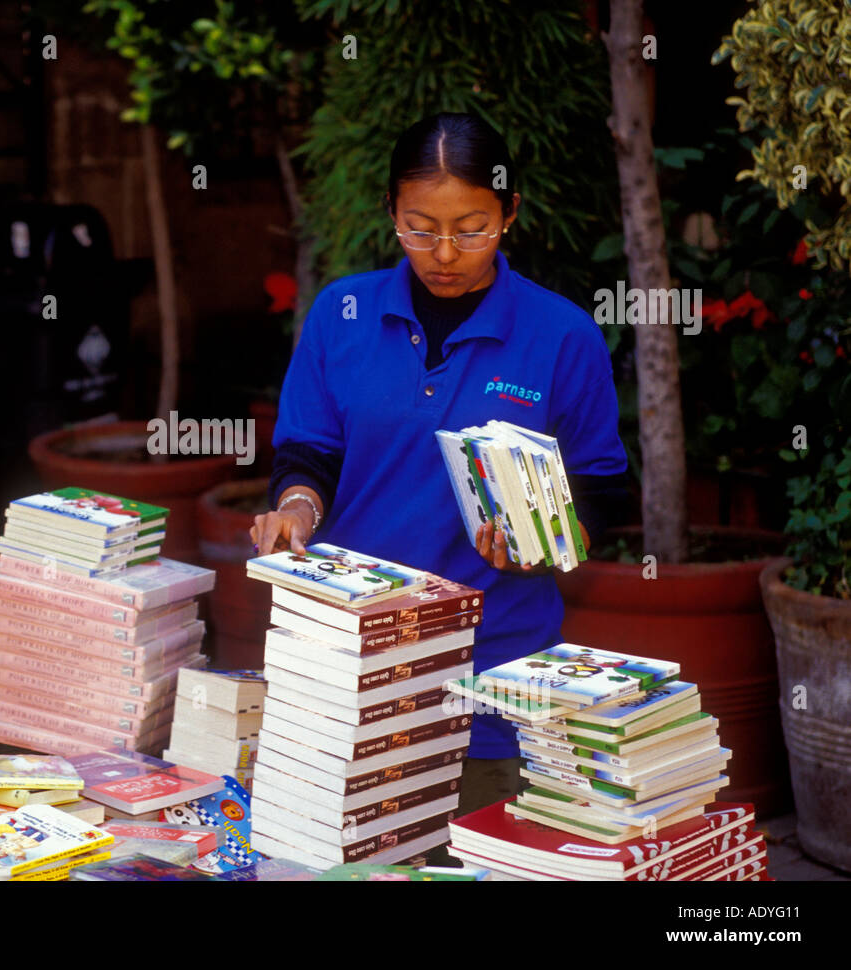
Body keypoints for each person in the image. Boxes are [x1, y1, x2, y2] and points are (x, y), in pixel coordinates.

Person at [250, 113, 631, 828]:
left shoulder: (562, 335)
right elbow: (309, 454)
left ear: (511, 212)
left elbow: (604, 485)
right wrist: (297, 509)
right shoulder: (342, 314)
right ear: (391, 212)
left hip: (490, 677)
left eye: (473, 227)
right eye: (421, 227)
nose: (446, 252)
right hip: (347, 664)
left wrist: (552, 537)